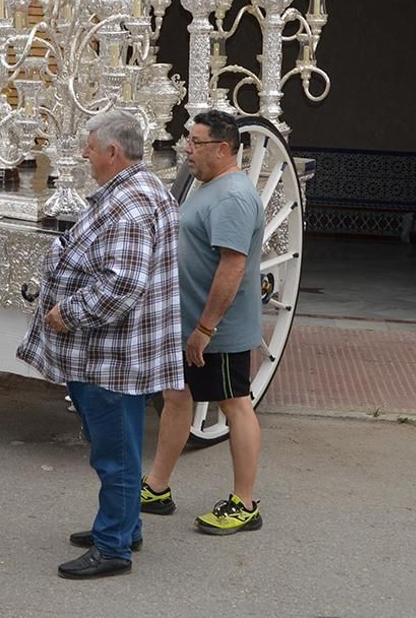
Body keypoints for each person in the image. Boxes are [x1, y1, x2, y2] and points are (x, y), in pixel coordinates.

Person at [17, 109, 183, 580]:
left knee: (115, 453)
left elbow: (123, 284)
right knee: (117, 447)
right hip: (114, 354)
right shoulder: (135, 190)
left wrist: (68, 313)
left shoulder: (130, 204)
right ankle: (123, 527)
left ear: (113, 152)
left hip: (112, 356)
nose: (85, 156)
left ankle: (114, 547)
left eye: (90, 147)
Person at [141, 109, 265, 535]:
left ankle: (244, 504)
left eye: (195, 142)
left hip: (217, 332)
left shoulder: (232, 196)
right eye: (187, 140)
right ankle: (156, 487)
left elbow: (232, 267)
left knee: (236, 406)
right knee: (177, 397)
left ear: (224, 148)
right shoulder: (209, 186)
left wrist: (206, 329)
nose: (187, 149)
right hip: (190, 326)